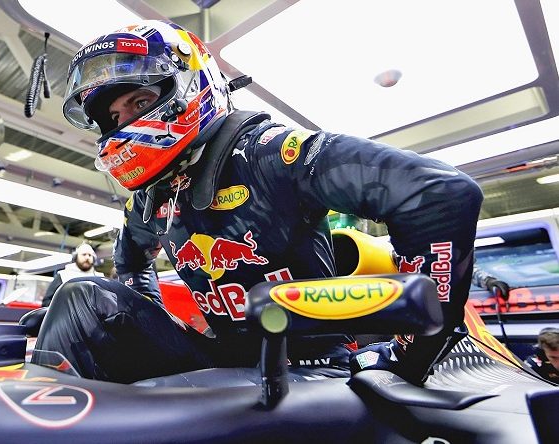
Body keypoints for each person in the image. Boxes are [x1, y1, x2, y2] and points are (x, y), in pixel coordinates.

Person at [33, 20, 483, 385]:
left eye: (140, 100)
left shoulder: (271, 152)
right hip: (223, 358)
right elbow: (131, 264)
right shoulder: (149, 200)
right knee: (79, 301)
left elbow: (441, 194)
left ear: (190, 86)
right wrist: (142, 318)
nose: (125, 121)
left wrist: (410, 356)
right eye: (115, 116)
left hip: (312, 368)